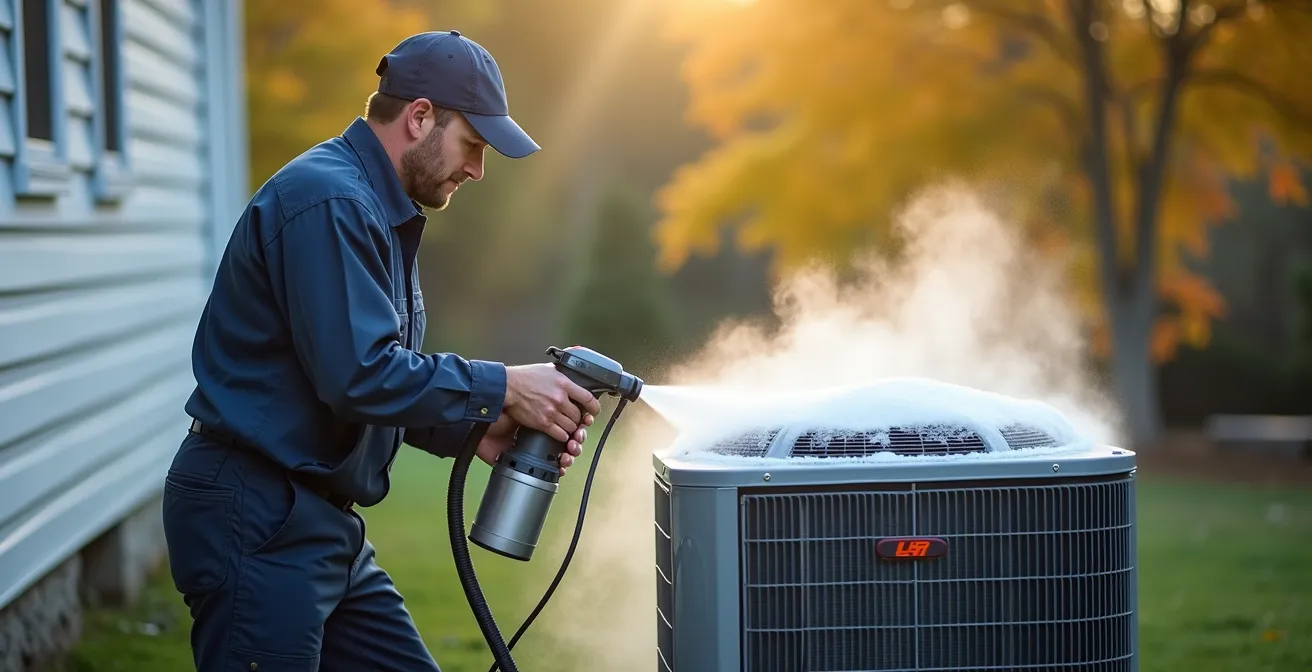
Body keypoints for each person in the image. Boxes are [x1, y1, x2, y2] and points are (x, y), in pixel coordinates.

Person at [160, 30, 601, 671]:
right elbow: (358, 375)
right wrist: (503, 387)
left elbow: (354, 379)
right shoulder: (329, 200)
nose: (477, 169)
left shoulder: (376, 209)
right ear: (420, 117)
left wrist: (473, 430)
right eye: (472, 145)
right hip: (257, 516)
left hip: (322, 525)